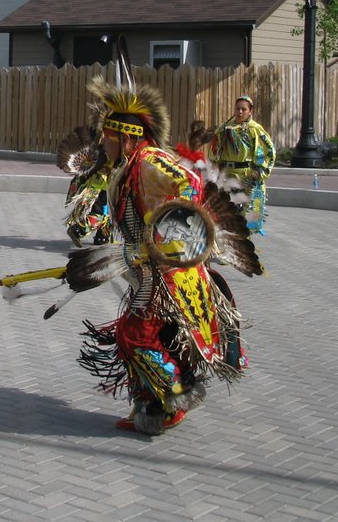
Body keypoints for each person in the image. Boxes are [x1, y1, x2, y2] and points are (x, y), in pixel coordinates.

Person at [55, 75, 263, 436]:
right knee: (152, 334)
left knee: (134, 334)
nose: (103, 143)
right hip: (152, 269)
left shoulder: (149, 160)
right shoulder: (127, 165)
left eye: (107, 137)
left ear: (126, 137)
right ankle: (150, 406)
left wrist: (161, 238)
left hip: (168, 270)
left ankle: (176, 394)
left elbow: (190, 183)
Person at [210, 95, 276, 234]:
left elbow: (269, 150)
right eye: (237, 109)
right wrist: (215, 167)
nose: (240, 112)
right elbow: (215, 148)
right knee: (226, 212)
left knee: (246, 213)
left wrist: (259, 170)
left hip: (246, 176)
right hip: (228, 175)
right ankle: (230, 245)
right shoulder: (225, 128)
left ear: (250, 111)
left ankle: (244, 242)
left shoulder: (255, 129)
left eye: (243, 109)